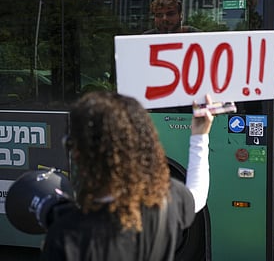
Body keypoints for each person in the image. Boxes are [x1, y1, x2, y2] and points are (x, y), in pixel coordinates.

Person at [40, 91, 214, 261]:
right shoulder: (165, 202)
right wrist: (200, 135)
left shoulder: (67, 238)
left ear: (80, 153)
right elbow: (198, 195)